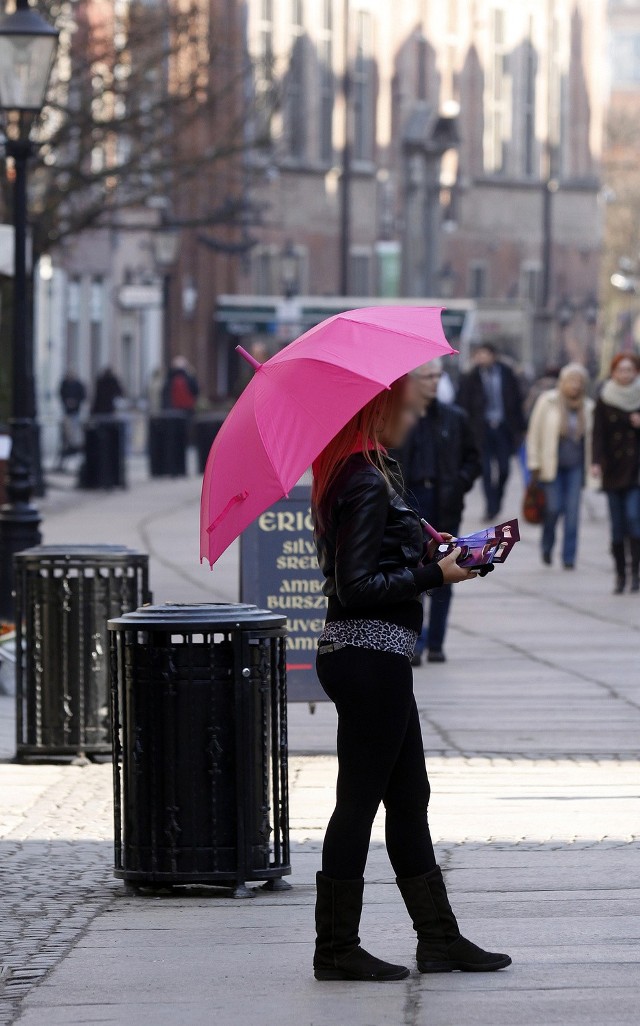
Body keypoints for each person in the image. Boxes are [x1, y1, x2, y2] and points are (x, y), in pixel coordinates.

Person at [310, 373, 511, 983]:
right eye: (407, 404)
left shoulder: (366, 472)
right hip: (369, 656)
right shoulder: (366, 480)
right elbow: (357, 586)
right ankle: (336, 948)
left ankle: (439, 940)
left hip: (376, 657)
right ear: (380, 409)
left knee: (408, 798)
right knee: (359, 805)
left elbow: (378, 557)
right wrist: (436, 578)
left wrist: (435, 549)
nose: (416, 416)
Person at [394, 360, 481, 664]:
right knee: (416, 571)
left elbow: (473, 459)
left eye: (437, 376)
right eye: (427, 376)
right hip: (411, 502)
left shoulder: (454, 418)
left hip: (444, 501)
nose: (433, 382)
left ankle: (436, 642)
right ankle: (414, 641)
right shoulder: (400, 418)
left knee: (448, 567)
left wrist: (459, 483)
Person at [526, 363, 594, 569]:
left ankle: (569, 557)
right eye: (571, 381)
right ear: (563, 382)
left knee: (572, 514)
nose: (575, 386)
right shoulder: (548, 401)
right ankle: (547, 546)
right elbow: (534, 433)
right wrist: (534, 463)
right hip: (551, 466)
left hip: (575, 467)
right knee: (553, 510)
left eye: (579, 382)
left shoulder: (588, 407)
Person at [457, 343, 525, 520]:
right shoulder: (470, 377)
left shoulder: (506, 373)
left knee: (504, 469)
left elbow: (516, 400)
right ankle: (490, 506)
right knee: (485, 471)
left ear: (493, 355)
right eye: (479, 354)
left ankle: (498, 499)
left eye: (485, 354)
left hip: (503, 428)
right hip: (481, 429)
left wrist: (520, 428)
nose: (481, 358)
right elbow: (463, 404)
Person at [591, 353, 640, 593]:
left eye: (629, 370)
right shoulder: (605, 397)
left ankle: (636, 574)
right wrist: (596, 462)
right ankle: (620, 574)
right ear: (613, 372)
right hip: (613, 470)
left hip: (636, 470)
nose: (625, 374)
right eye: (621, 370)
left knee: (634, 519)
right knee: (617, 526)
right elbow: (598, 434)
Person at [58, 369, 87, 460]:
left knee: (75, 431)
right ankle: (69, 447)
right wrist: (67, 402)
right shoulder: (64, 384)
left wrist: (75, 402)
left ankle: (75, 447)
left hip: (76, 411)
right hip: (67, 412)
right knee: (67, 431)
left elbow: (83, 396)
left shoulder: (78, 385)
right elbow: (61, 394)